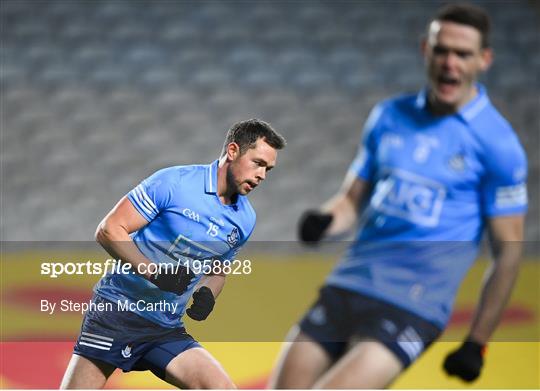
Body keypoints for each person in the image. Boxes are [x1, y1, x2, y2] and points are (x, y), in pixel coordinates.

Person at [269, 3, 527, 389]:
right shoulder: (388, 116)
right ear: (426, 50)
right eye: (442, 50)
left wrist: (478, 342)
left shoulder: (498, 144)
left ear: (484, 60)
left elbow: (508, 252)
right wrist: (324, 221)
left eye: (463, 54)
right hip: (349, 283)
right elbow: (350, 201)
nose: (450, 63)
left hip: (413, 303)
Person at [60, 119, 286, 389]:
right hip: (117, 314)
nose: (262, 175)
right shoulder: (174, 183)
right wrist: (155, 273)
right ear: (233, 150)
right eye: (258, 163)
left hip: (165, 327)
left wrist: (208, 294)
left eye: (268, 169)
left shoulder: (245, 219)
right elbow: (109, 230)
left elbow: (218, 271)